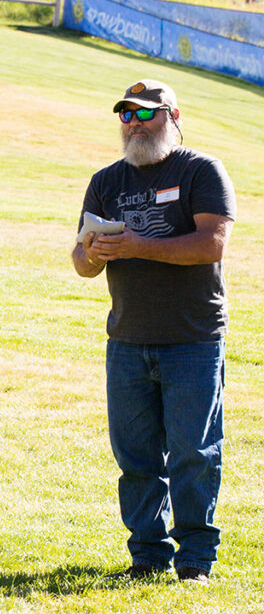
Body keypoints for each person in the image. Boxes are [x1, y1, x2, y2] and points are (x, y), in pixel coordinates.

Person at [72, 80, 236, 585]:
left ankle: (195, 561)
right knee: (136, 457)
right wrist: (93, 253)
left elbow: (211, 245)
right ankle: (147, 555)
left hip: (192, 339)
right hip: (127, 341)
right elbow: (80, 261)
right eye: (126, 115)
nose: (134, 125)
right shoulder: (106, 180)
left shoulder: (200, 170)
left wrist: (138, 245)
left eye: (146, 115)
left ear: (174, 115)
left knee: (194, 452)